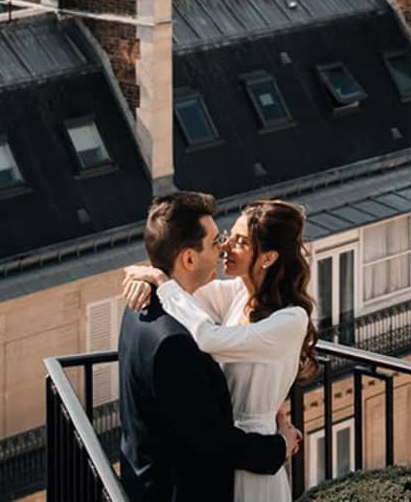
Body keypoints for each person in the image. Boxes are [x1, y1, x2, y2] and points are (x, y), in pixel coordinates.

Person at [122, 199, 315, 502]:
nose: (225, 247)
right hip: (229, 450)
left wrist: (161, 280)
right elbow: (182, 292)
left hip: (255, 454)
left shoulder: (291, 320)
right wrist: (148, 277)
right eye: (226, 237)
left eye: (240, 242)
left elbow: (207, 336)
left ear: (267, 257)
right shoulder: (236, 292)